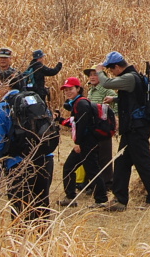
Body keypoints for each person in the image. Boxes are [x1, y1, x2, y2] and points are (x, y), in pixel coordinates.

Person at [96, 51, 150, 211]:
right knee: (121, 163)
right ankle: (120, 200)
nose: (111, 73)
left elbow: (106, 84)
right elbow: (135, 98)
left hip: (136, 129)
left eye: (111, 70)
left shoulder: (129, 77)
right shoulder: (132, 76)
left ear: (117, 67)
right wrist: (115, 99)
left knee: (143, 162)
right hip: (131, 128)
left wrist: (99, 71)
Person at [0, 79, 54, 221]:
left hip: (18, 162)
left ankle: (20, 241)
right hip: (45, 158)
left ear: (7, 85)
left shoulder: (1, 108)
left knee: (20, 210)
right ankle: (42, 241)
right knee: (41, 206)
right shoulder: (36, 102)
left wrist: (3, 158)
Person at [57, 77, 108, 207]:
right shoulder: (78, 103)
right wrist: (60, 119)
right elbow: (75, 123)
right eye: (66, 90)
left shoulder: (81, 104)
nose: (68, 92)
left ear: (78, 89)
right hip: (87, 142)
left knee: (90, 170)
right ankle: (71, 197)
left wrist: (78, 142)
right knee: (74, 167)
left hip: (87, 143)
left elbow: (83, 125)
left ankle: (100, 200)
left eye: (71, 89)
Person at [84, 66, 116, 192]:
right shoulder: (91, 91)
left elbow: (116, 101)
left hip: (103, 127)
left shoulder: (105, 89)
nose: (92, 77)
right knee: (94, 156)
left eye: (95, 74)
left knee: (104, 156)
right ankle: (94, 183)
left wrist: (113, 119)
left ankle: (108, 183)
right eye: (90, 75)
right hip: (93, 127)